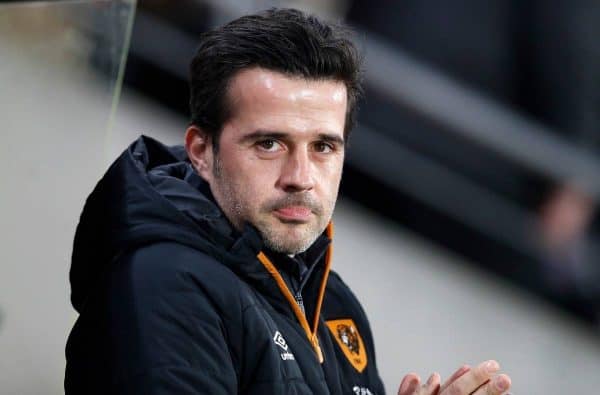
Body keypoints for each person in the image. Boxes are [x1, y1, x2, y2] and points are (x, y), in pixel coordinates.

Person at [65, 8, 512, 394]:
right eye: (270, 144)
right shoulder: (165, 288)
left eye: (323, 147)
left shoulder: (334, 303)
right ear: (202, 152)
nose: (300, 178)